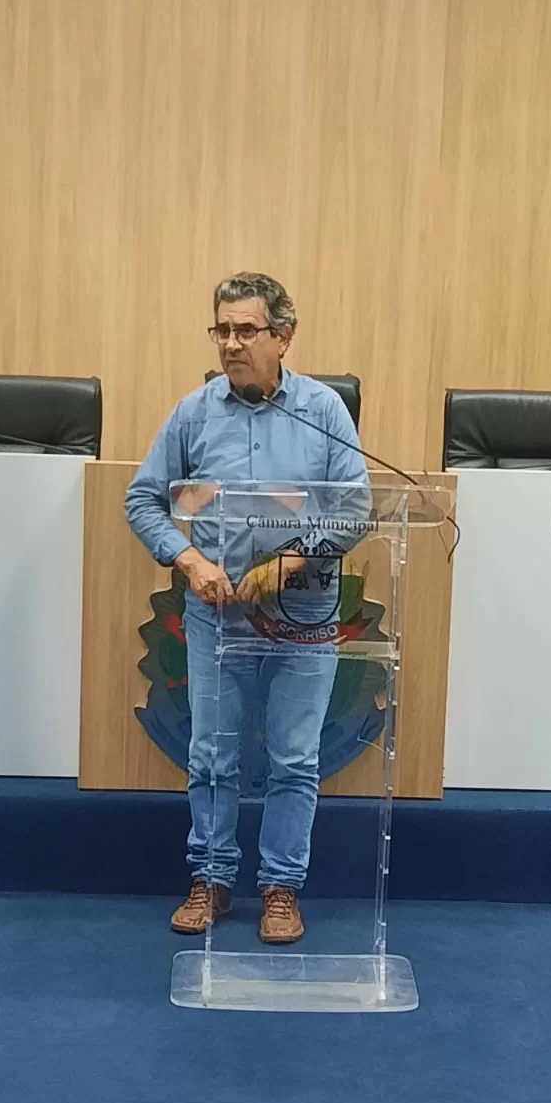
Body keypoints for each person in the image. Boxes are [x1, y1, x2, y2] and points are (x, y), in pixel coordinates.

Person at [124, 272, 368, 944]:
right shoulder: (193, 413)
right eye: (222, 330)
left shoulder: (322, 411)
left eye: (246, 330)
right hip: (218, 615)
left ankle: (280, 887)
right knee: (211, 756)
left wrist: (293, 562)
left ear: (282, 337)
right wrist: (188, 560)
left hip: (305, 616)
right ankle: (210, 878)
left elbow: (356, 508)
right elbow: (142, 500)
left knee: (294, 759)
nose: (231, 343)